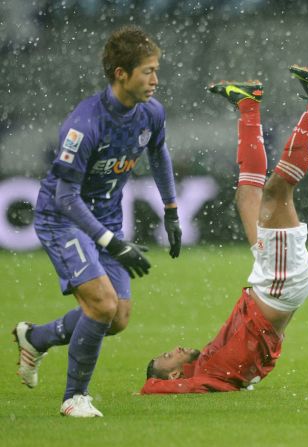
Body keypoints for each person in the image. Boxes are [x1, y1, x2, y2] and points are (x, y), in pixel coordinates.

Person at [12, 26, 182, 417]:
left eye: (156, 70)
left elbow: (159, 155)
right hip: (63, 220)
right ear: (121, 73)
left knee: (117, 318)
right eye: (147, 71)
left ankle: (35, 338)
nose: (155, 80)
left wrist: (171, 209)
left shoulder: (151, 113)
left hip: (104, 218)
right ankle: (74, 398)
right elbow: (65, 196)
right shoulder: (84, 125)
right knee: (102, 305)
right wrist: (110, 241)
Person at [140, 66, 308, 394]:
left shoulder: (209, 366)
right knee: (277, 191)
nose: (172, 349)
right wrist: (146, 389)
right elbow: (153, 389)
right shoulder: (209, 377)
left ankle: (248, 105)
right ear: (173, 377)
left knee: (247, 195)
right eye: (167, 357)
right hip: (280, 283)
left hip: (267, 279)